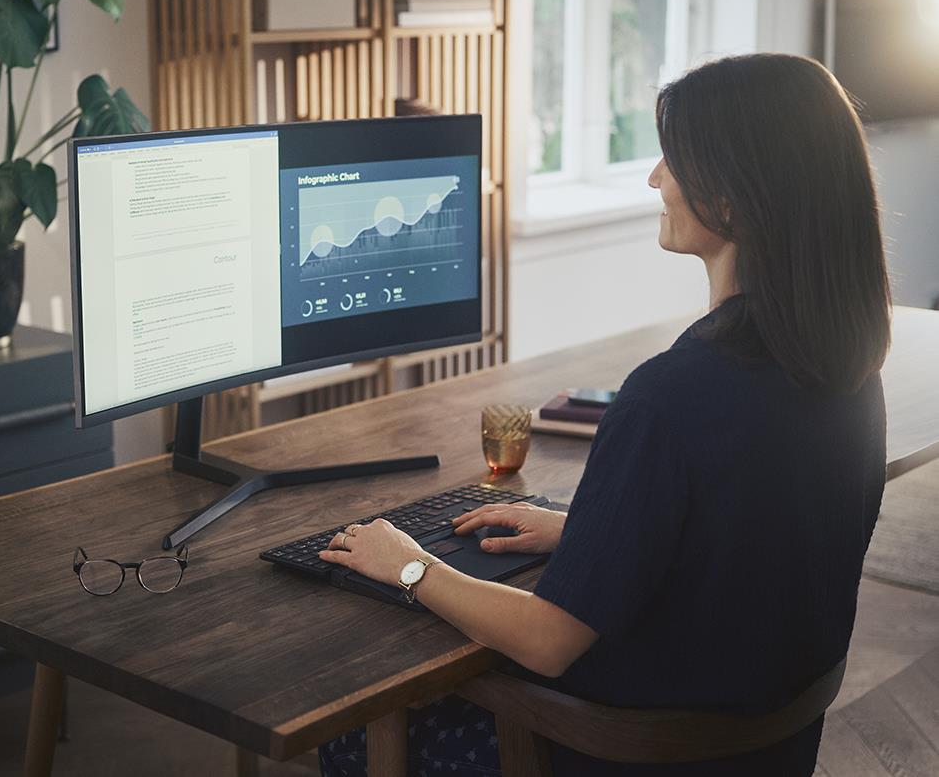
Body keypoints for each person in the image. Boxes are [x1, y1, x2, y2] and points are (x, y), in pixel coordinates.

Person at [317, 53, 892, 777]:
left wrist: (408, 563)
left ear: (732, 199)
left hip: (623, 754)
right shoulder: (846, 369)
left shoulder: (669, 396)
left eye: (672, 160)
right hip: (764, 750)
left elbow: (547, 641)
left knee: (349, 730)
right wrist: (591, 534)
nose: (654, 178)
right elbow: (759, 535)